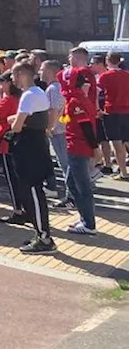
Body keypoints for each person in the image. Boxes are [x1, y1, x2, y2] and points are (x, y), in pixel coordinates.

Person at [8, 62, 56, 254]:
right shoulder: (38, 93)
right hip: (37, 146)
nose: (12, 79)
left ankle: (45, 239)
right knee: (33, 193)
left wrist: (15, 120)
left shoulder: (28, 95)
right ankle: (40, 233)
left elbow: (16, 126)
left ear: (20, 74)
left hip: (29, 149)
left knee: (34, 194)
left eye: (13, 75)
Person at [62, 67, 100, 235]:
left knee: (82, 187)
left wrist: (95, 148)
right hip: (76, 146)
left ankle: (89, 224)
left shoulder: (76, 101)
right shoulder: (77, 99)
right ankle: (85, 217)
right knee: (72, 183)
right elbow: (70, 121)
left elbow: (85, 126)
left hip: (79, 147)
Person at [0, 72, 27, 225]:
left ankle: (18, 211)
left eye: (3, 82)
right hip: (20, 142)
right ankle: (25, 208)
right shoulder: (22, 98)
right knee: (21, 177)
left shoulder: (8, 100)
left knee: (12, 179)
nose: (0, 85)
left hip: (7, 143)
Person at [41, 60, 70, 201]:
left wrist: (49, 128)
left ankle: (71, 197)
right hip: (63, 128)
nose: (40, 72)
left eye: (42, 69)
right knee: (66, 163)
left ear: (50, 71)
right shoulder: (60, 87)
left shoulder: (52, 89)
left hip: (58, 131)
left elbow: (53, 110)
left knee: (65, 164)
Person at [97, 52, 129, 180]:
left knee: (116, 143)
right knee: (126, 140)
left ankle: (123, 172)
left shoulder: (104, 76)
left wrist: (97, 109)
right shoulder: (127, 75)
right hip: (126, 111)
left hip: (111, 111)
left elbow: (97, 93)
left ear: (107, 61)